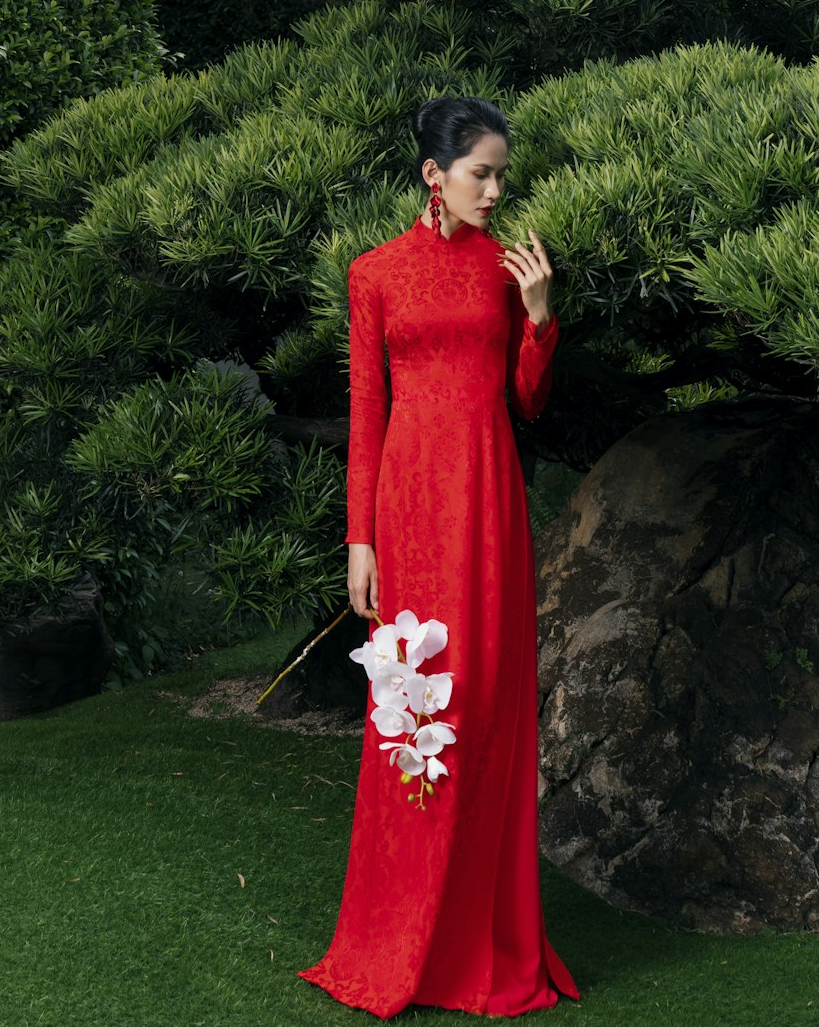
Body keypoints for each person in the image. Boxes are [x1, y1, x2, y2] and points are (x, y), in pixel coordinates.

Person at [297, 96, 580, 1017]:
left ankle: (478, 940)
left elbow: (529, 403)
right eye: (480, 173)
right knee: (416, 714)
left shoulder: (507, 275)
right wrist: (360, 542)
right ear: (434, 175)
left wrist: (538, 316)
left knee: (490, 705)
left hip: (491, 506)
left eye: (502, 174)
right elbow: (366, 418)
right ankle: (397, 933)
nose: (496, 191)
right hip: (411, 512)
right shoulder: (374, 273)